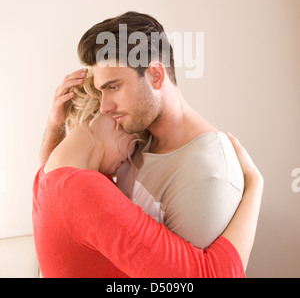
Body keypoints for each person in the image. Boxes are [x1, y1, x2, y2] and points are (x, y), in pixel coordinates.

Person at [34, 67, 263, 277]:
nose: (126, 162)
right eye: (134, 145)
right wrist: (255, 185)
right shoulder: (85, 192)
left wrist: (56, 125)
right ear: (116, 120)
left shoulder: (45, 178)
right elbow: (208, 275)